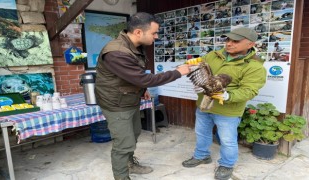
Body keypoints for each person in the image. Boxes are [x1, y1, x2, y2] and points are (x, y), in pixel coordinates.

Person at [95, 12, 191, 180]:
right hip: (116, 104)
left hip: (129, 98)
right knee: (123, 144)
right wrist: (177, 72)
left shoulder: (135, 46)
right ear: (139, 32)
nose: (156, 36)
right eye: (154, 33)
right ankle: (122, 177)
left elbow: (134, 75)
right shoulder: (116, 52)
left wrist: (142, 88)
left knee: (134, 134)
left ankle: (130, 164)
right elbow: (143, 77)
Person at [182, 27, 267, 180]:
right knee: (201, 133)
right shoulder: (214, 55)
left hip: (228, 111)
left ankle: (227, 165)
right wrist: (192, 68)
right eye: (228, 39)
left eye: (235, 41)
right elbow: (199, 65)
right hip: (204, 105)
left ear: (250, 44)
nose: (229, 44)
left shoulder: (254, 66)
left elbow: (249, 90)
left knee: (227, 140)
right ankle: (201, 156)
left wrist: (227, 95)